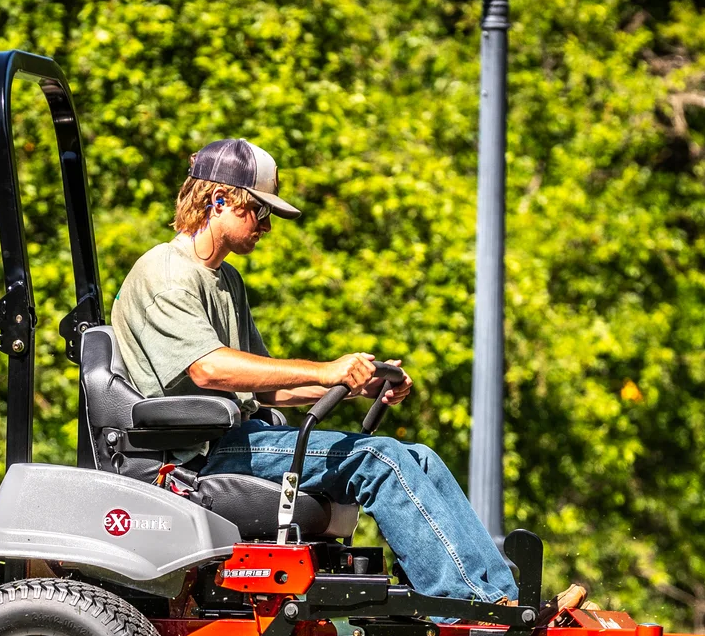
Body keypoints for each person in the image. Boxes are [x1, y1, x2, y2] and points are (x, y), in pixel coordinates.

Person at [109, 139, 518, 604]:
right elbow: (208, 369)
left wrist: (354, 385)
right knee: (379, 459)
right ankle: (466, 604)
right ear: (218, 200)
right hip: (194, 456)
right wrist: (326, 371)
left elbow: (267, 388)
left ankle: (503, 595)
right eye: (259, 211)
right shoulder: (166, 274)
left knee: (418, 457)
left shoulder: (226, 280)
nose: (266, 226)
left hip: (238, 437)